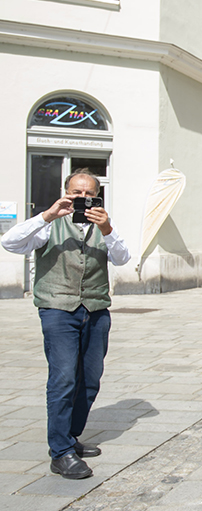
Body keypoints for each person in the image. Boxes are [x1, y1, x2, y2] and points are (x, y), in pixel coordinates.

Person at [1, 170, 131, 480]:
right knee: (62, 379)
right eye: (76, 193)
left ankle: (69, 437)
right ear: (66, 192)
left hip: (97, 309)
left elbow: (123, 258)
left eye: (89, 194)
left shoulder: (105, 226)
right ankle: (60, 452)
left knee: (90, 379)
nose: (82, 199)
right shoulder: (48, 225)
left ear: (98, 196)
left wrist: (108, 228)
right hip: (58, 309)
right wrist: (47, 215)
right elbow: (9, 242)